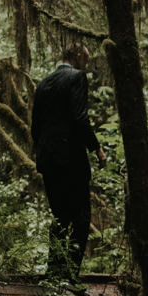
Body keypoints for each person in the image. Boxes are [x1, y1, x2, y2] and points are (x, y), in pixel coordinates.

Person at [30, 41, 107, 276]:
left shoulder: (43, 84)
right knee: (82, 216)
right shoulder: (76, 77)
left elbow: (36, 127)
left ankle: (54, 272)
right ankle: (71, 274)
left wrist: (42, 152)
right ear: (75, 56)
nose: (87, 61)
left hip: (47, 159)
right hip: (70, 158)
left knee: (60, 216)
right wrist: (97, 149)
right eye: (86, 57)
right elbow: (80, 118)